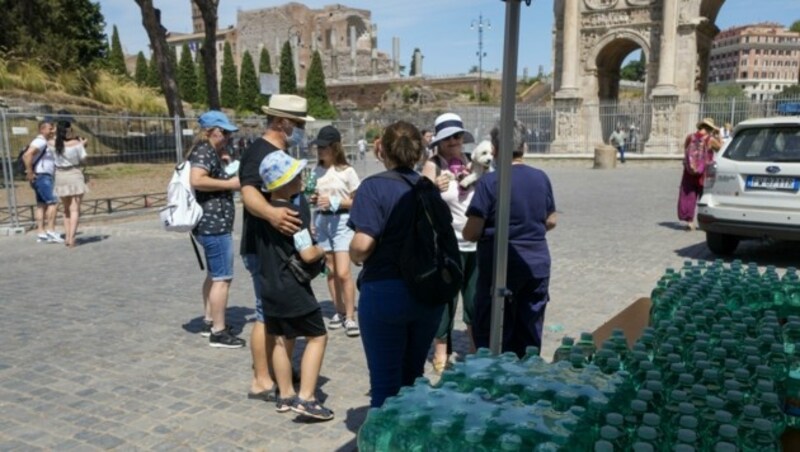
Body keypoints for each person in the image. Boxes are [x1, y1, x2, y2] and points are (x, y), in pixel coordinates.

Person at [348, 121, 445, 408]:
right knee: (412, 377)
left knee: (385, 387)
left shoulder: (373, 187)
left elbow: (363, 244)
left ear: (381, 151)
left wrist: (353, 255)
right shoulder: (427, 189)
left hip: (385, 291)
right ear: (418, 152)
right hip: (427, 293)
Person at [239, 94, 314, 401]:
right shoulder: (259, 152)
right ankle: (261, 379)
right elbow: (248, 192)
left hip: (281, 246)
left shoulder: (278, 150)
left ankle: (276, 370)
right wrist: (272, 214)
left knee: (278, 314)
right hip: (263, 247)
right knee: (265, 313)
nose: (300, 130)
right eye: (297, 124)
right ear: (282, 122)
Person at [462, 120, 557, 359]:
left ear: (494, 149)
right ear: (524, 146)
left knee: (493, 330)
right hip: (535, 264)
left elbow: (472, 231)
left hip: (499, 266)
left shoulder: (491, 182)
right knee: (529, 330)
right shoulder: (540, 178)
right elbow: (551, 220)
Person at [258, 150, 333, 421]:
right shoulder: (292, 210)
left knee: (280, 338)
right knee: (317, 336)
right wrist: (323, 249)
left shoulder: (261, 211)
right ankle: (307, 398)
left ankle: (286, 394)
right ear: (286, 182)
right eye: (297, 175)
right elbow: (307, 254)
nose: (302, 178)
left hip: (268, 284)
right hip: (292, 286)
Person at [421, 113, 479, 374]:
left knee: (474, 297)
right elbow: (418, 198)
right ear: (440, 142)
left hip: (474, 242)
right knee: (445, 299)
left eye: (459, 136)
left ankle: (477, 348)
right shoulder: (433, 165)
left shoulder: (473, 161)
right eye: (450, 137)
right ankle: (441, 349)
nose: (456, 141)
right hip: (446, 244)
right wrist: (433, 186)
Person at [188, 110, 244, 349]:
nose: (229, 137)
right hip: (214, 224)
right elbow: (197, 179)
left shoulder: (210, 151)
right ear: (213, 131)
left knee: (214, 275)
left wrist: (227, 164)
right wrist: (229, 184)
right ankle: (218, 332)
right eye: (226, 133)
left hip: (212, 223)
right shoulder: (203, 151)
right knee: (223, 278)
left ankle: (210, 320)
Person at [309, 125, 361, 337]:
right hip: (322, 222)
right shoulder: (316, 170)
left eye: (324, 147)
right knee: (330, 272)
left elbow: (357, 202)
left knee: (343, 272)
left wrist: (335, 201)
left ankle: (350, 316)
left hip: (341, 222)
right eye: (318, 147)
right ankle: (338, 311)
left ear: (335, 147)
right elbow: (314, 196)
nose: (320, 151)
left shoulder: (347, 171)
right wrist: (313, 201)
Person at [22, 118, 63, 244]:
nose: (52, 131)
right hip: (42, 176)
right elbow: (27, 155)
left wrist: (54, 133)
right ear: (42, 129)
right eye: (50, 128)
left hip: (40, 176)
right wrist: (29, 172)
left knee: (41, 205)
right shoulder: (40, 141)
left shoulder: (45, 141)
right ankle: (51, 231)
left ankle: (41, 233)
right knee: (53, 202)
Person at [677, 117, 722, 231]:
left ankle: (689, 221)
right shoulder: (710, 139)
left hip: (689, 171)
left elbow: (686, 151)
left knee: (689, 195)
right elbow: (721, 149)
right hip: (704, 172)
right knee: (704, 196)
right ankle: (705, 221)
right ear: (710, 129)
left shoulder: (689, 137)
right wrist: (719, 136)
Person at [51, 121, 88, 248]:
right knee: (75, 209)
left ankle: (67, 236)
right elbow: (84, 159)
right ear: (68, 130)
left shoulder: (52, 144)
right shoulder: (76, 144)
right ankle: (72, 238)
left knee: (66, 209)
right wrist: (82, 145)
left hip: (60, 176)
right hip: (74, 174)